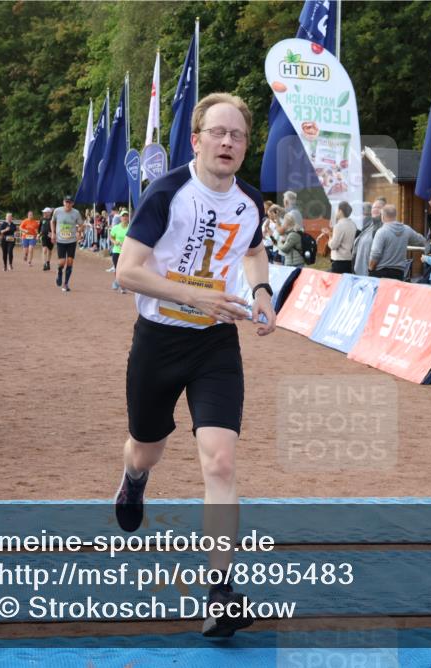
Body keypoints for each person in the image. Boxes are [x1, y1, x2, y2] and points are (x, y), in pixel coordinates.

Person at [114, 92, 275, 639]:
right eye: (218, 132)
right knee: (147, 446)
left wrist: (261, 291)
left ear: (246, 146)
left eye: (238, 135)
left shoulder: (250, 201)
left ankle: (220, 592)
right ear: (197, 139)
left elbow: (253, 249)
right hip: (158, 341)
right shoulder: (166, 193)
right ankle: (134, 479)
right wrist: (194, 297)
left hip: (216, 344)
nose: (228, 142)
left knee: (221, 462)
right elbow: (127, 271)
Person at [368, 204, 426, 280]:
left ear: (383, 216)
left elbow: (375, 254)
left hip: (381, 274)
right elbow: (422, 240)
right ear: (395, 215)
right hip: (398, 274)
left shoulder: (381, 232)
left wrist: (370, 268)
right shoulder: (406, 230)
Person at [51, 195, 84, 292]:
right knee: (62, 262)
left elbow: (81, 225)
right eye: (66, 202)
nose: (68, 204)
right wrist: (53, 233)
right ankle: (59, 271)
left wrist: (79, 232)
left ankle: (66, 284)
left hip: (72, 241)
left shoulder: (76, 213)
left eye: (70, 202)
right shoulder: (57, 211)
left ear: (72, 203)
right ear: (63, 202)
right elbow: (52, 222)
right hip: (61, 240)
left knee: (70, 262)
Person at [353, 197, 385, 276]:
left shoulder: (383, 228)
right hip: (359, 273)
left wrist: (371, 270)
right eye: (374, 207)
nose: (375, 209)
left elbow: (377, 254)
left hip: (371, 275)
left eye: (378, 207)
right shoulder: (369, 226)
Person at [328, 201, 356, 274]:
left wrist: (329, 237)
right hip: (350, 260)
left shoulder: (339, 226)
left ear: (340, 211)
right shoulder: (353, 224)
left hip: (339, 262)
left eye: (337, 210)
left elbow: (333, 246)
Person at [109, 210, 128, 292]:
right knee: (117, 269)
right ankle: (120, 284)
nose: (125, 217)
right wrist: (114, 242)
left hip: (126, 252)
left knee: (124, 270)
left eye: (126, 216)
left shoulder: (130, 228)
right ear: (120, 218)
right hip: (116, 251)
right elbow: (111, 237)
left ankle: (120, 284)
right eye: (123, 216)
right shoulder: (116, 228)